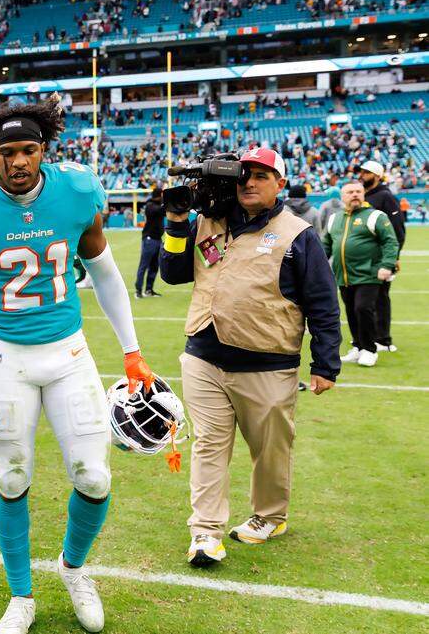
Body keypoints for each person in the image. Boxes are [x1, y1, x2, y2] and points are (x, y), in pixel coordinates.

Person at [0, 100, 156, 634]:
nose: (19, 161)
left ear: (43, 149)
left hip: (69, 354)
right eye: (7, 153)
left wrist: (132, 350)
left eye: (28, 150)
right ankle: (21, 595)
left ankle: (73, 567)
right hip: (6, 357)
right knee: (12, 476)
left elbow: (107, 272)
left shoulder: (74, 189)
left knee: (93, 477)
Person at [160, 147, 341, 568]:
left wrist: (325, 363)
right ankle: (205, 532)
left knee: (270, 450)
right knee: (208, 445)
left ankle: (269, 516)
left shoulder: (298, 233)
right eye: (245, 175)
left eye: (262, 176)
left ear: (280, 183)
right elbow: (172, 273)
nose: (250, 182)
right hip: (204, 356)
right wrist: (174, 220)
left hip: (267, 362)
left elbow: (323, 303)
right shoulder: (209, 221)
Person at [320, 182, 399, 368]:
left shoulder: (375, 216)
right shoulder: (334, 219)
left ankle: (370, 350)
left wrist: (387, 265)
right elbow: (326, 244)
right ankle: (358, 346)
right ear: (342, 196)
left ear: (363, 194)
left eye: (358, 191)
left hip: (368, 273)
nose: (354, 194)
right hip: (344, 275)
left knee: (363, 309)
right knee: (351, 312)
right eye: (350, 192)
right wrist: (319, 265)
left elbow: (390, 242)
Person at [357, 160, 403, 353]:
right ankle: (369, 337)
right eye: (361, 172)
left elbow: (397, 229)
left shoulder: (385, 196)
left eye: (366, 173)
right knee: (365, 301)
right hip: (363, 259)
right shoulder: (362, 196)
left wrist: (393, 257)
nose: (362, 175)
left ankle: (383, 339)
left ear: (376, 176)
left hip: (381, 259)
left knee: (380, 298)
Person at [135, 186, 165, 298]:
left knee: (154, 266)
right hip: (149, 239)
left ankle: (149, 290)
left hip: (157, 239)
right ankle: (138, 291)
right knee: (144, 265)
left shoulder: (157, 205)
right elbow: (160, 210)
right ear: (158, 195)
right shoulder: (150, 206)